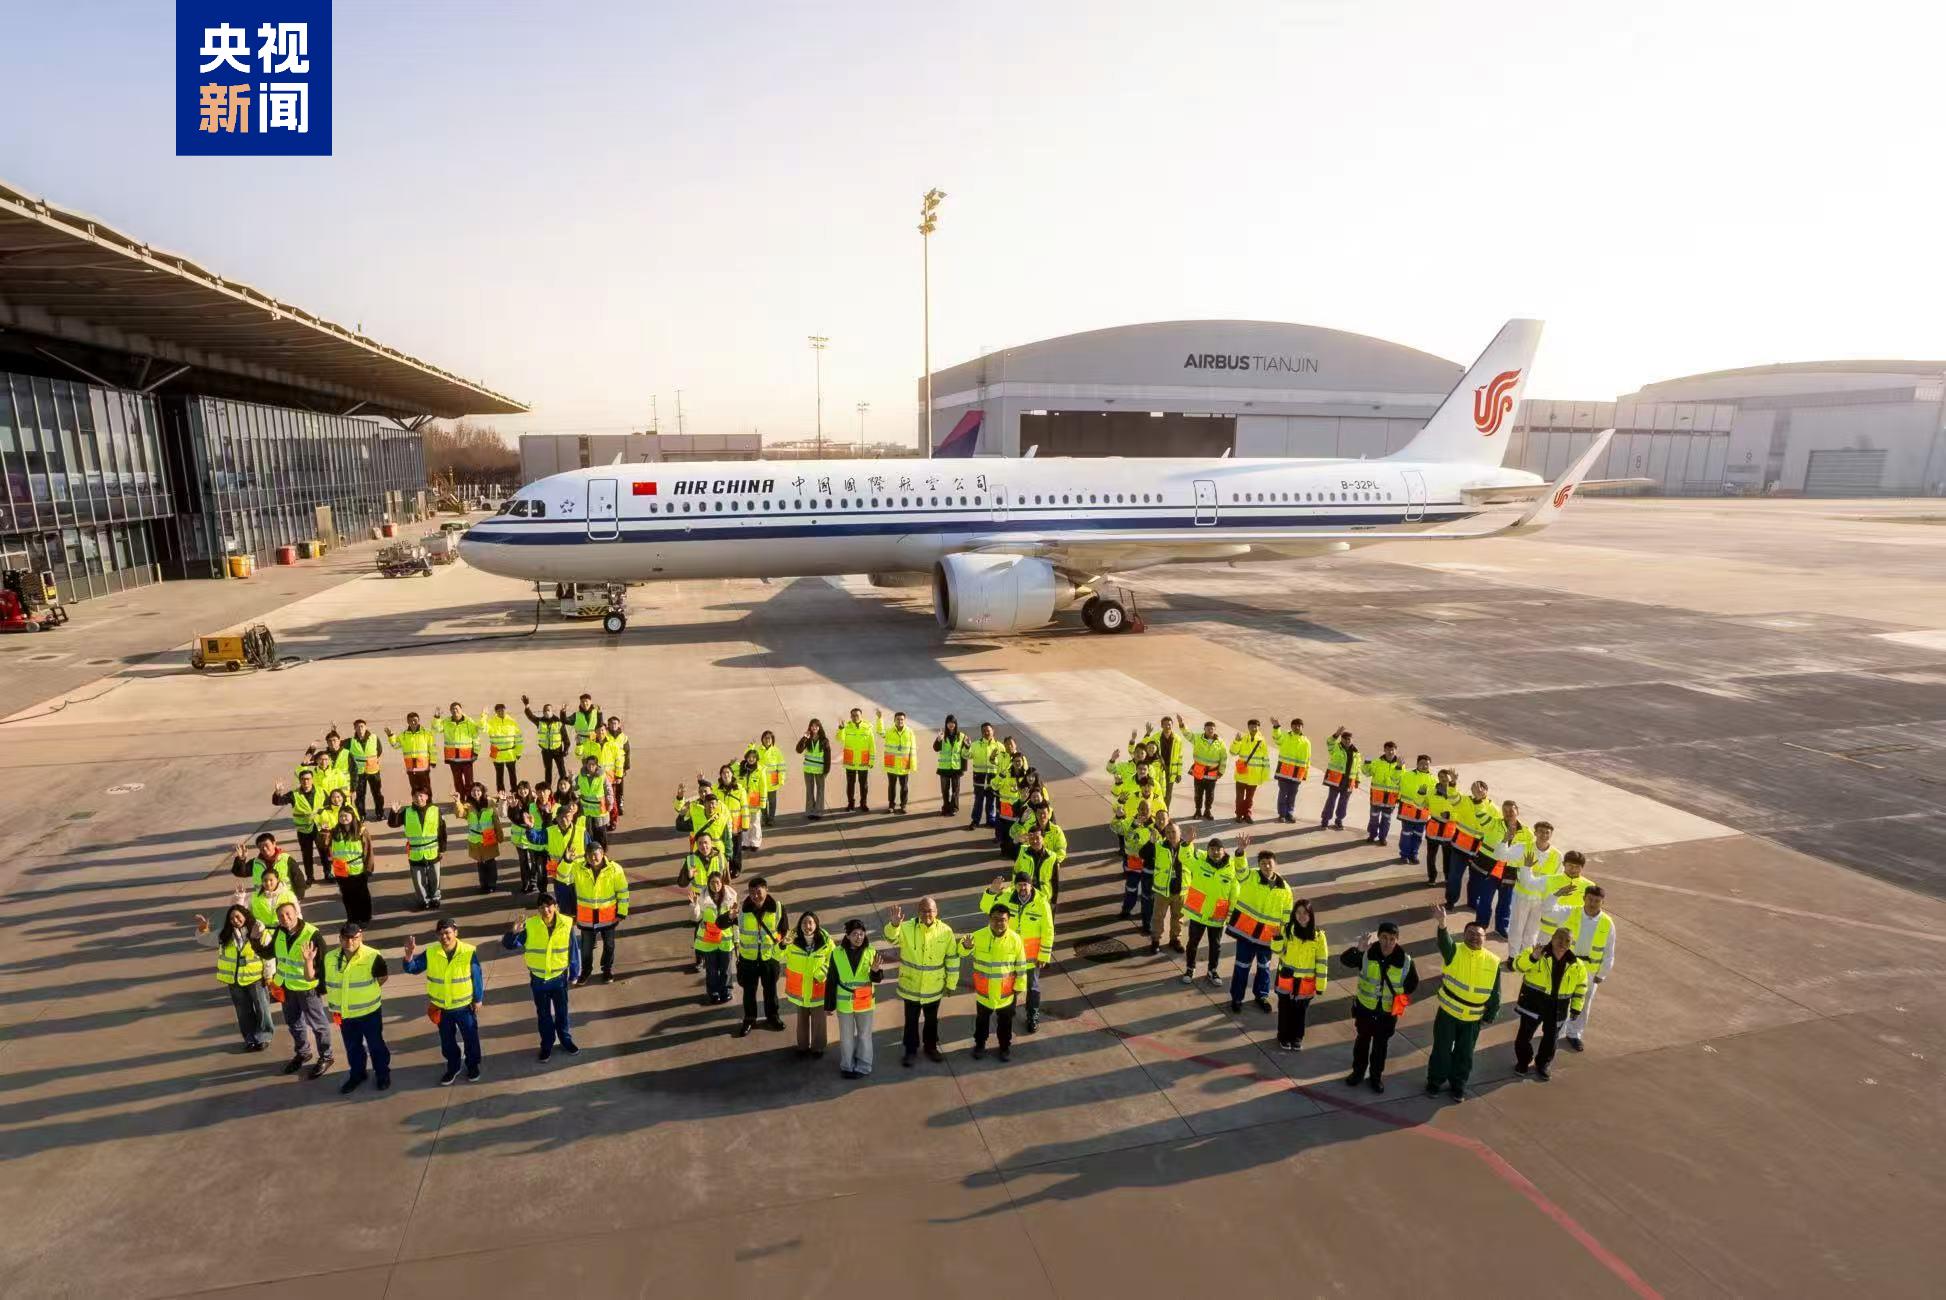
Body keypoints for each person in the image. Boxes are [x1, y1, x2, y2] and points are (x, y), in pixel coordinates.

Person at [1423, 904, 1502, 1101]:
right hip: (1448, 1014)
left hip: (1472, 1018)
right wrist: (1442, 924)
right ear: (1464, 935)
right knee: (1441, 1050)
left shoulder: (1493, 961)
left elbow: (1495, 991)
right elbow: (1444, 942)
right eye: (1470, 933)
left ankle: (1458, 1085)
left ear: (1485, 938)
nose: (1474, 937)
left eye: (1479, 935)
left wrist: (1491, 1013)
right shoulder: (1454, 951)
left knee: (1465, 1054)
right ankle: (1435, 1082)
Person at [1341, 920, 1419, 1093]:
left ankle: (1375, 1077)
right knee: (1362, 1042)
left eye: (1392, 939)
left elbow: (1412, 983)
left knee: (1380, 1047)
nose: (1387, 942)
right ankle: (1358, 1073)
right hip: (1365, 1009)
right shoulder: (1367, 954)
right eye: (1384, 937)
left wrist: (1397, 992)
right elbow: (1345, 961)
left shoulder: (1405, 961)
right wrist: (1358, 950)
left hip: (1387, 1012)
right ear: (1378, 937)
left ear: (1397, 940)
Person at [403, 918, 484, 1084]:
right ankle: (453, 1067)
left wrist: (478, 999)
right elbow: (412, 968)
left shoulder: (468, 951)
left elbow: (476, 977)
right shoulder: (431, 953)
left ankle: (472, 1065)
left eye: (447, 932)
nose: (444, 937)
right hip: (441, 1008)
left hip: (464, 1007)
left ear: (456, 932)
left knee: (471, 1038)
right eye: (440, 934)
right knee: (447, 1041)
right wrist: (409, 955)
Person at [502, 894, 581, 1060]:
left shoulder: (566, 923)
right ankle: (547, 1044)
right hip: (539, 979)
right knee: (544, 1015)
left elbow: (572, 949)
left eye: (549, 905)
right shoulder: (530, 925)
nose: (546, 910)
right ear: (538, 909)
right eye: (542, 907)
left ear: (556, 906)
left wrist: (574, 972)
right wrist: (514, 932)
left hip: (559, 978)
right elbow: (509, 945)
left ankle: (565, 1040)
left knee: (562, 1012)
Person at [884, 898, 959, 1066]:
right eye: (923, 911)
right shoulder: (906, 927)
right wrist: (894, 925)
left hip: (934, 987)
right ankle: (910, 1051)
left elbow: (952, 959)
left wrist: (951, 983)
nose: (927, 914)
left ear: (936, 912)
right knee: (911, 1021)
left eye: (930, 911)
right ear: (918, 912)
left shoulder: (946, 931)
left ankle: (931, 1047)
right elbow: (891, 938)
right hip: (911, 986)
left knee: (931, 1020)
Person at [193, 904, 276, 1051]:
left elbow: (268, 956)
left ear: (246, 915)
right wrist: (202, 928)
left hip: (256, 978)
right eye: (231, 918)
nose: (235, 920)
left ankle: (263, 1036)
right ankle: (250, 1038)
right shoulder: (225, 935)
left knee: (262, 1008)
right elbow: (205, 939)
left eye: (238, 916)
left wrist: (268, 976)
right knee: (243, 1011)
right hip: (234, 980)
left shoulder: (260, 932)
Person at [1545, 886, 1616, 1052]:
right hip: (1567, 966)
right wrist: (1556, 895)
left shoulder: (1607, 923)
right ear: (1584, 898)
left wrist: (1602, 973)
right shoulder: (1571, 912)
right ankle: (1556, 1031)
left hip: (1590, 971)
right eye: (1590, 899)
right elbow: (1548, 910)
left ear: (1603, 902)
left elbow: (1609, 950)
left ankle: (1574, 1033)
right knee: (1561, 999)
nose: (1593, 903)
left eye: (1597, 901)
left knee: (1583, 1002)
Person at [980, 871, 1054, 1032]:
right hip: (1010, 955)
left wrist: (1044, 955)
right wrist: (991, 892)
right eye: (1019, 885)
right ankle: (1008, 1011)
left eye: (1025, 885)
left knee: (1032, 988)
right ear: (1015, 886)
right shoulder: (1005, 897)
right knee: (1009, 985)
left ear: (1031, 885)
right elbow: (986, 908)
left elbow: (1048, 930)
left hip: (1031, 958)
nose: (1022, 888)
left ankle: (1032, 1016)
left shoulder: (1042, 903)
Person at [1513, 927, 1589, 1081]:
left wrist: (1576, 1007)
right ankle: (1523, 1061)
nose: (1562, 943)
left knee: (1551, 1039)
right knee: (1523, 1037)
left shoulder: (1577, 964)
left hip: (1558, 1007)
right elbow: (1517, 966)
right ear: (1552, 938)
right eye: (1559, 938)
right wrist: (1533, 958)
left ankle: (1543, 1064)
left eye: (1567, 940)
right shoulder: (1536, 952)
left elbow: (1581, 987)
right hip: (1533, 1003)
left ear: (1571, 943)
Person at [267, 900, 333, 1078]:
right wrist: (256, 939)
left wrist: (322, 987)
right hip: (287, 987)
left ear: (296, 913)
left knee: (318, 1026)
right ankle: (303, 1053)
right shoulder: (280, 932)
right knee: (294, 1023)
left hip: (307, 989)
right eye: (281, 916)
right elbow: (269, 953)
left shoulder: (312, 933)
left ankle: (326, 1056)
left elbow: (324, 962)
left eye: (288, 914)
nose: (285, 918)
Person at [324, 922, 390, 1094]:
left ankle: (382, 1074)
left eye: (354, 938)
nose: (350, 942)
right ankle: (358, 1074)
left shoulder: (373, 955)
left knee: (376, 1045)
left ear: (361, 937)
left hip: (369, 1012)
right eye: (346, 938)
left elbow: (382, 977)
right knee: (352, 1047)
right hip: (345, 1014)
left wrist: (365, 994)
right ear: (340, 938)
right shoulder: (330, 957)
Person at [1227, 848, 1293, 1013]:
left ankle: (1261, 996)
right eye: (1263, 863)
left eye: (1269, 863)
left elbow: (1286, 916)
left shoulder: (1285, 889)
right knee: (1242, 967)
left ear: (1275, 864)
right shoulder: (1250, 876)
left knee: (1264, 968)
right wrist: (1240, 852)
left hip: (1267, 937)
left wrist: (1282, 937)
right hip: (1246, 934)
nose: (1266, 866)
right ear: (1259, 865)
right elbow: (1240, 869)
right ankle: (1237, 998)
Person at [963, 902, 1026, 1061]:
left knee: (1005, 1024)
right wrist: (966, 947)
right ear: (989, 919)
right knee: (981, 1022)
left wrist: (1020, 985)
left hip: (1006, 994)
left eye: (1002, 920)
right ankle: (980, 1045)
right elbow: (962, 953)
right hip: (984, 993)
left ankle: (1004, 1048)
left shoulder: (1015, 939)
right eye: (995, 919)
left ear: (1008, 920)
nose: (999, 923)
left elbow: (1021, 964)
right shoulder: (977, 936)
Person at [732, 876, 789, 1036]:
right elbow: (723, 924)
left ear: (766, 890)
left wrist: (777, 940)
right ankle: (749, 1019)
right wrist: (728, 917)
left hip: (769, 958)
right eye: (752, 892)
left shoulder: (778, 908)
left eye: (758, 892)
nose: (755, 896)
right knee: (749, 992)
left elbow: (784, 929)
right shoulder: (741, 910)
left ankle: (773, 1017)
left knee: (771, 991)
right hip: (748, 959)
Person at [1272, 898, 1329, 1051]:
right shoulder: (1287, 930)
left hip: (1305, 982)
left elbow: (1322, 962)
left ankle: (1297, 1037)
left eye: (1305, 913)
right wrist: (1276, 938)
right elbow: (1277, 951)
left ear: (1311, 915)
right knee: (1285, 1010)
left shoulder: (1319, 937)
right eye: (1298, 912)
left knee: (1300, 1012)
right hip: (1287, 979)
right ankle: (1283, 1036)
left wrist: (1320, 986)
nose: (1301, 916)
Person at [1180, 835, 1237, 985]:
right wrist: (1187, 843)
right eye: (1212, 849)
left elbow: (1234, 892)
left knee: (1215, 945)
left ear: (1224, 850)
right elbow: (1184, 858)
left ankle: (1212, 971)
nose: (1215, 852)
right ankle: (1190, 968)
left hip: (1217, 914)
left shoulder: (1232, 868)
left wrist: (1230, 913)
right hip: (1198, 913)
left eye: (1218, 849)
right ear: (1208, 850)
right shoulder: (1199, 862)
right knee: (1193, 943)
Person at [568, 844, 629, 984]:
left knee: (609, 946)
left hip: (608, 917)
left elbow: (623, 892)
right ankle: (586, 971)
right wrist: (566, 861)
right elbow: (562, 876)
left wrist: (622, 912)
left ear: (602, 853)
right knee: (586, 948)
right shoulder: (577, 867)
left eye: (595, 854)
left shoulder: (615, 869)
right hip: (587, 918)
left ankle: (607, 970)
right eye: (589, 855)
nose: (593, 858)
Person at [831, 919, 882, 1078]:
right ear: (847, 936)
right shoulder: (837, 953)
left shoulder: (871, 951)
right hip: (844, 1002)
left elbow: (878, 978)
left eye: (861, 934)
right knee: (846, 1037)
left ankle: (864, 1066)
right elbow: (831, 979)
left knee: (864, 1035)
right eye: (854, 934)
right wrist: (829, 1005)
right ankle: (847, 1066)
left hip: (865, 1001)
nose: (858, 937)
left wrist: (875, 971)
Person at [1473, 799, 1529, 938]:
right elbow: (1480, 816)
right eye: (1505, 811)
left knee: (1505, 903)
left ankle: (1502, 927)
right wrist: (1478, 800)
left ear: (1517, 811)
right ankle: (1481, 924)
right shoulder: (1494, 823)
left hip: (1510, 873)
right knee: (1485, 900)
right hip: (1491, 871)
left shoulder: (1527, 833)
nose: (1508, 813)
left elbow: (1531, 850)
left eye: (1511, 810)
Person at [384, 788, 448, 910]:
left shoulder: (435, 810)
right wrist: (394, 812)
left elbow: (442, 831)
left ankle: (435, 898)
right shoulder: (407, 812)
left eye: (421, 795)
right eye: (416, 796)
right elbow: (393, 824)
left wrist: (442, 849)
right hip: (415, 852)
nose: (419, 798)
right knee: (418, 880)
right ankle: (423, 900)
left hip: (433, 851)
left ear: (427, 797)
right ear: (412, 798)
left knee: (435, 878)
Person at [783, 911, 836, 1057]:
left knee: (819, 1021)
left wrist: (821, 973)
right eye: (804, 923)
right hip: (800, 990)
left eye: (810, 922)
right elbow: (776, 955)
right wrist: (782, 944)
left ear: (816, 924)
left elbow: (833, 959)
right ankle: (802, 1047)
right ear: (800, 925)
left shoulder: (826, 942)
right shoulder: (791, 940)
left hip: (818, 988)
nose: (807, 926)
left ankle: (818, 1048)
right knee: (802, 1020)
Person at [1507, 820, 1562, 955]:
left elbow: (1557, 879)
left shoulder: (1557, 855)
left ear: (1551, 835)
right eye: (1541, 832)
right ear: (1535, 833)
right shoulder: (1524, 848)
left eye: (1547, 833)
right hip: (1522, 896)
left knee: (1532, 931)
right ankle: (1512, 956)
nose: (1544, 835)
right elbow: (1506, 858)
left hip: (1540, 900)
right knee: (1516, 928)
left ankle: (1526, 957)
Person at [269, 771, 322, 892]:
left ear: (312, 779)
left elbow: (329, 804)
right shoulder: (294, 794)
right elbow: (278, 801)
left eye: (308, 779)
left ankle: (328, 873)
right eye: (303, 779)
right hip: (303, 830)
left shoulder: (320, 791)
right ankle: (310, 878)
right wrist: (277, 792)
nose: (306, 781)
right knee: (307, 855)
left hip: (319, 827)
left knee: (323, 852)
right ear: (300, 780)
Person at [324, 806, 377, 927]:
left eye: (346, 816)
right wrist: (323, 832)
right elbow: (324, 845)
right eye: (341, 816)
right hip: (341, 871)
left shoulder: (361, 831)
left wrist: (369, 868)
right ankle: (352, 918)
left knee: (361, 896)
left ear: (352, 816)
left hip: (358, 871)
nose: (343, 818)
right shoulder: (334, 832)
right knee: (347, 896)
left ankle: (364, 918)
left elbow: (368, 851)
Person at [691, 869, 738, 1003]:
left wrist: (736, 939)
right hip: (709, 940)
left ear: (722, 883)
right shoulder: (702, 897)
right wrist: (694, 905)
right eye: (712, 883)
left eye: (718, 882)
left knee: (726, 969)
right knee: (711, 969)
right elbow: (696, 918)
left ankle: (726, 991)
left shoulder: (731, 897)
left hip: (725, 939)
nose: (715, 885)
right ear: (708, 883)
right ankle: (713, 992)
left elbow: (735, 920)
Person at [1145, 820, 1187, 954]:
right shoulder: (1159, 846)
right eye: (1168, 832)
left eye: (1174, 832)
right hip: (1163, 891)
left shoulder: (1188, 848)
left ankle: (1175, 940)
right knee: (1158, 917)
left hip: (1180, 891)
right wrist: (1150, 842)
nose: (1171, 835)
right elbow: (1143, 854)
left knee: (1178, 917)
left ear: (1180, 833)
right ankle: (1155, 941)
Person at [432, 701, 480, 799]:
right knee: (457, 782)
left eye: (457, 708)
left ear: (461, 710)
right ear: (450, 711)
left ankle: (470, 800)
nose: (455, 710)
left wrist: (476, 752)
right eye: (452, 709)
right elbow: (436, 729)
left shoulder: (469, 722)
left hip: (467, 758)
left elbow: (475, 737)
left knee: (469, 782)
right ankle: (461, 800)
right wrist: (437, 717)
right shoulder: (446, 722)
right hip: (453, 758)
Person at [386, 711, 438, 801]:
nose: (413, 722)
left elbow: (432, 748)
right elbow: (395, 745)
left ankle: (429, 804)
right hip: (411, 768)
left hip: (423, 768)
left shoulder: (426, 733)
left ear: (419, 720)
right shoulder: (403, 735)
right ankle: (416, 804)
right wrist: (390, 736)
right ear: (407, 722)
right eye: (410, 720)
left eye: (415, 720)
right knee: (414, 789)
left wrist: (433, 761)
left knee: (426, 788)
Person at [1269, 716, 1311, 824]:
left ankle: (1289, 813)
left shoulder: (1306, 742)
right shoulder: (1285, 736)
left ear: (1302, 727)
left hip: (1297, 774)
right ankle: (1282, 815)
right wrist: (1276, 726)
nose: (1297, 727)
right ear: (1291, 727)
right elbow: (1277, 737)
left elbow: (1308, 760)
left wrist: (1305, 774)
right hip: (1284, 772)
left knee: (1292, 795)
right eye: (1295, 725)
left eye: (1299, 726)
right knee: (1283, 794)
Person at [1397, 754, 1435, 869]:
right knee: (1406, 835)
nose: (1424, 766)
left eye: (1427, 764)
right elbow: (1397, 782)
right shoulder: (1408, 775)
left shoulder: (1434, 780)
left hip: (1423, 815)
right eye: (1422, 764)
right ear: (1417, 764)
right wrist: (1398, 767)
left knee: (1418, 836)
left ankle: (1414, 854)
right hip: (1408, 813)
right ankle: (1404, 855)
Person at [1426, 768, 1460, 896]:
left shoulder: (1456, 794)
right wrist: (1419, 794)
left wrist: (1450, 816)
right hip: (1433, 828)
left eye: (1446, 777)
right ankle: (1432, 877)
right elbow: (1420, 804)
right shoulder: (1431, 792)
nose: (1444, 779)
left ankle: (1447, 877)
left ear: (1450, 778)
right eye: (1441, 777)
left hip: (1448, 831)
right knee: (1431, 856)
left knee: (1448, 857)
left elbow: (1461, 814)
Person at [522, 696, 570, 787]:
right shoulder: (540, 722)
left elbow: (565, 738)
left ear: (552, 711)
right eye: (545, 710)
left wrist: (566, 749)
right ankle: (548, 789)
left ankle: (564, 787)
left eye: (548, 710)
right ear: (543, 712)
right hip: (546, 751)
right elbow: (530, 716)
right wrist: (527, 705)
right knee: (548, 771)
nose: (547, 712)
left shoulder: (558, 722)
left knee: (562, 770)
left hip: (557, 750)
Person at [1228, 719, 1271, 822]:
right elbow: (1233, 752)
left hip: (1254, 775)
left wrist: (1265, 775)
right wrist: (1236, 741)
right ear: (1248, 727)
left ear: (1259, 727)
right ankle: (1239, 814)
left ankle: (1247, 814)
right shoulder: (1242, 739)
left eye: (1255, 726)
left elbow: (1265, 758)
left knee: (1249, 798)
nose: (1253, 728)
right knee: (1239, 797)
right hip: (1242, 774)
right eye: (1251, 726)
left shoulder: (1262, 741)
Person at [1143, 714, 1188, 811]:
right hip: (1158, 770)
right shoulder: (1155, 737)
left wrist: (1179, 773)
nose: (1167, 726)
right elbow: (1144, 746)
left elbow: (1180, 758)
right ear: (1161, 725)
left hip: (1171, 772)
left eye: (1169, 724)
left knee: (1168, 795)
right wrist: (1147, 734)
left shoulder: (1177, 739)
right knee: (1155, 792)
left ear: (1172, 725)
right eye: (1165, 724)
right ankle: (1154, 812)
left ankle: (1165, 812)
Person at [875, 708, 916, 814]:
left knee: (904, 787)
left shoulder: (909, 732)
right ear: (894, 720)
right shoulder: (889, 731)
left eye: (902, 719)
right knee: (892, 786)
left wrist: (913, 764)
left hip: (904, 764)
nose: (900, 721)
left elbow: (913, 748)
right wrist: (880, 718)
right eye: (898, 719)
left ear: (904, 720)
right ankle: (891, 805)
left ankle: (903, 805)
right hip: (891, 764)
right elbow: (880, 732)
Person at [1319, 728, 1360, 830]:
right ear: (1341, 739)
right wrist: (1336, 734)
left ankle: (1339, 820)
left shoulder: (1356, 753)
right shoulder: (1335, 747)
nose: (1347, 741)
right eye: (1345, 738)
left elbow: (1357, 767)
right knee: (1331, 801)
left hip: (1349, 782)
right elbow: (1329, 742)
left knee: (1343, 803)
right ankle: (1325, 820)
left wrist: (1357, 780)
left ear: (1352, 740)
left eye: (1349, 739)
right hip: (1336, 780)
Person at [1362, 740, 1402, 845]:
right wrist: (1366, 763)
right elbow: (1366, 773)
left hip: (1391, 799)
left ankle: (1382, 838)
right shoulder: (1376, 762)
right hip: (1377, 797)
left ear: (1396, 750)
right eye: (1388, 750)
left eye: (1392, 750)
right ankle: (1372, 835)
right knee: (1374, 818)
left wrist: (1399, 797)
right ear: (1384, 750)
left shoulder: (1400, 765)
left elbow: (1401, 782)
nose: (1390, 752)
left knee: (1386, 820)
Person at [345, 719, 386, 820]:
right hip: (359, 773)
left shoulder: (374, 738)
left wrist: (372, 761)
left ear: (365, 727)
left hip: (373, 771)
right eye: (357, 727)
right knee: (360, 795)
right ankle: (361, 815)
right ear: (354, 728)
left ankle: (380, 813)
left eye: (362, 726)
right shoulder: (350, 741)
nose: (360, 729)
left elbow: (379, 750)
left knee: (377, 793)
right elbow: (339, 747)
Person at [967, 721, 1004, 829]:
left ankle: (990, 820)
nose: (986, 733)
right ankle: (975, 821)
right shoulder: (975, 745)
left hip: (993, 778)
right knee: (978, 800)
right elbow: (966, 755)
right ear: (981, 732)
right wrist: (966, 746)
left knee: (991, 800)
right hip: (979, 777)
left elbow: (1003, 762)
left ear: (993, 731)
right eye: (984, 731)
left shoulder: (1000, 746)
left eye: (988, 730)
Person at [837, 708, 876, 812]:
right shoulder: (846, 727)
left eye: (857, 715)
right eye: (853, 715)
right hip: (850, 761)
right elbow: (840, 738)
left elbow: (872, 746)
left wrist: (872, 761)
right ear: (850, 717)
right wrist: (841, 728)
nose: (855, 717)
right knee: (850, 784)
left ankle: (863, 803)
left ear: (861, 716)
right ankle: (851, 803)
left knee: (864, 785)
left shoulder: (868, 728)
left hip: (863, 761)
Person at [232, 831, 296, 891]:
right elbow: (239, 872)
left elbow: (298, 879)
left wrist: (298, 896)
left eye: (266, 845)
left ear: (274, 843)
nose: (264, 848)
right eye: (261, 846)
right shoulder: (256, 863)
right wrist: (241, 859)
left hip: (283, 897)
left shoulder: (286, 859)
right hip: (263, 898)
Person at [573, 753, 612, 853]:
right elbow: (574, 787)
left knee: (601, 833)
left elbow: (608, 789)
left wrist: (610, 802)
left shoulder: (602, 776)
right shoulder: (581, 776)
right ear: (586, 764)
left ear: (596, 765)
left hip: (599, 811)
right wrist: (570, 779)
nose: (591, 767)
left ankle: (603, 852)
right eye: (589, 764)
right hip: (586, 811)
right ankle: (591, 852)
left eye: (593, 764)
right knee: (589, 833)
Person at [1188, 721, 1226, 819]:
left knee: (1210, 794)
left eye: (1212, 729)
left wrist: (1221, 771)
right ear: (1204, 729)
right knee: (1198, 793)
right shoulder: (1197, 738)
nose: (1210, 730)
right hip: (1199, 772)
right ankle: (1198, 811)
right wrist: (1182, 725)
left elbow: (1224, 758)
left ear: (1215, 730)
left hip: (1212, 773)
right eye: (1208, 728)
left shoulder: (1220, 742)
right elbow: (1187, 735)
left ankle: (1207, 811)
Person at [484, 702, 524, 792]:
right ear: (496, 712)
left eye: (503, 710)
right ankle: (501, 794)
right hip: (496, 752)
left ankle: (514, 792)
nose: (501, 712)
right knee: (499, 776)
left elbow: (518, 738)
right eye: (499, 711)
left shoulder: (512, 722)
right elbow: (482, 728)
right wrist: (484, 715)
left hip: (510, 752)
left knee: (512, 775)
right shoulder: (491, 722)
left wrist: (518, 752)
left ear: (505, 710)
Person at [933, 714, 968, 818]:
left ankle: (954, 808)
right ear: (946, 724)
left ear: (955, 724)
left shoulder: (962, 736)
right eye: (949, 723)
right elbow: (936, 748)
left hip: (956, 768)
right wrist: (938, 740)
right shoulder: (942, 735)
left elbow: (965, 752)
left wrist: (968, 746)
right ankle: (946, 807)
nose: (951, 725)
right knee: (945, 790)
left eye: (953, 722)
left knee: (955, 790)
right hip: (944, 768)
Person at [795, 719, 831, 820]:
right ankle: (810, 811)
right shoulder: (807, 739)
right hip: (808, 769)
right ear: (810, 727)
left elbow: (827, 757)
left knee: (820, 791)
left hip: (820, 770)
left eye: (816, 726)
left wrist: (826, 770)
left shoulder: (824, 740)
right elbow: (798, 750)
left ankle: (818, 812)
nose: (814, 728)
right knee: (809, 790)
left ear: (819, 727)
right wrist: (804, 738)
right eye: (812, 726)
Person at [601, 714, 631, 821]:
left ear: (619, 725)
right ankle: (611, 806)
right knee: (609, 790)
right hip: (608, 769)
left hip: (619, 768)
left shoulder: (623, 737)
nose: (613, 725)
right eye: (611, 724)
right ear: (608, 725)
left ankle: (620, 804)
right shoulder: (605, 735)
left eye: (615, 723)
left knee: (620, 788)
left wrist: (625, 767)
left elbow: (627, 753)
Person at [755, 729, 785, 826]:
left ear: (772, 740)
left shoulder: (776, 751)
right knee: (762, 800)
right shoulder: (757, 751)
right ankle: (764, 818)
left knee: (772, 801)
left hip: (773, 779)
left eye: (769, 738)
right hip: (762, 780)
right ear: (762, 739)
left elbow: (781, 766)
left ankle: (771, 819)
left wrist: (781, 779)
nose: (767, 740)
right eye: (765, 738)